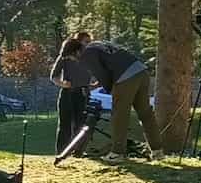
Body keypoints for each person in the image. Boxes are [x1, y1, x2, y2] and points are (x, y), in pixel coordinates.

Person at [60, 35, 162, 163]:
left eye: (71, 57)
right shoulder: (98, 44)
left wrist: (111, 91)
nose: (74, 60)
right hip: (141, 71)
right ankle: (157, 151)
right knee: (145, 113)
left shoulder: (87, 54)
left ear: (76, 51)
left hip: (125, 77)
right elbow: (113, 62)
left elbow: (103, 75)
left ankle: (117, 153)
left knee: (119, 115)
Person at [50, 32, 93, 155]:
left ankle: (78, 151)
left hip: (83, 93)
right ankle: (61, 152)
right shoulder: (65, 56)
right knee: (65, 125)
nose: (88, 45)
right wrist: (62, 83)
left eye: (89, 42)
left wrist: (93, 83)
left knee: (81, 124)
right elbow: (54, 76)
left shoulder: (90, 58)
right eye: (86, 42)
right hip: (68, 93)